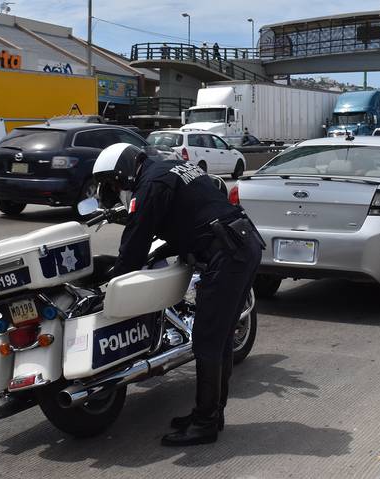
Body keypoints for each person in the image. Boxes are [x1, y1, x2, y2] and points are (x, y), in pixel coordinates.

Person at [93, 143, 263, 446]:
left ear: (124, 171)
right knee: (220, 338)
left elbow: (135, 242)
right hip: (241, 244)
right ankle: (211, 413)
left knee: (207, 340)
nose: (115, 188)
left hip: (227, 253)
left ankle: (205, 424)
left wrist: (111, 284)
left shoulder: (151, 184)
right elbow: (194, 212)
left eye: (114, 182)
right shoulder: (169, 167)